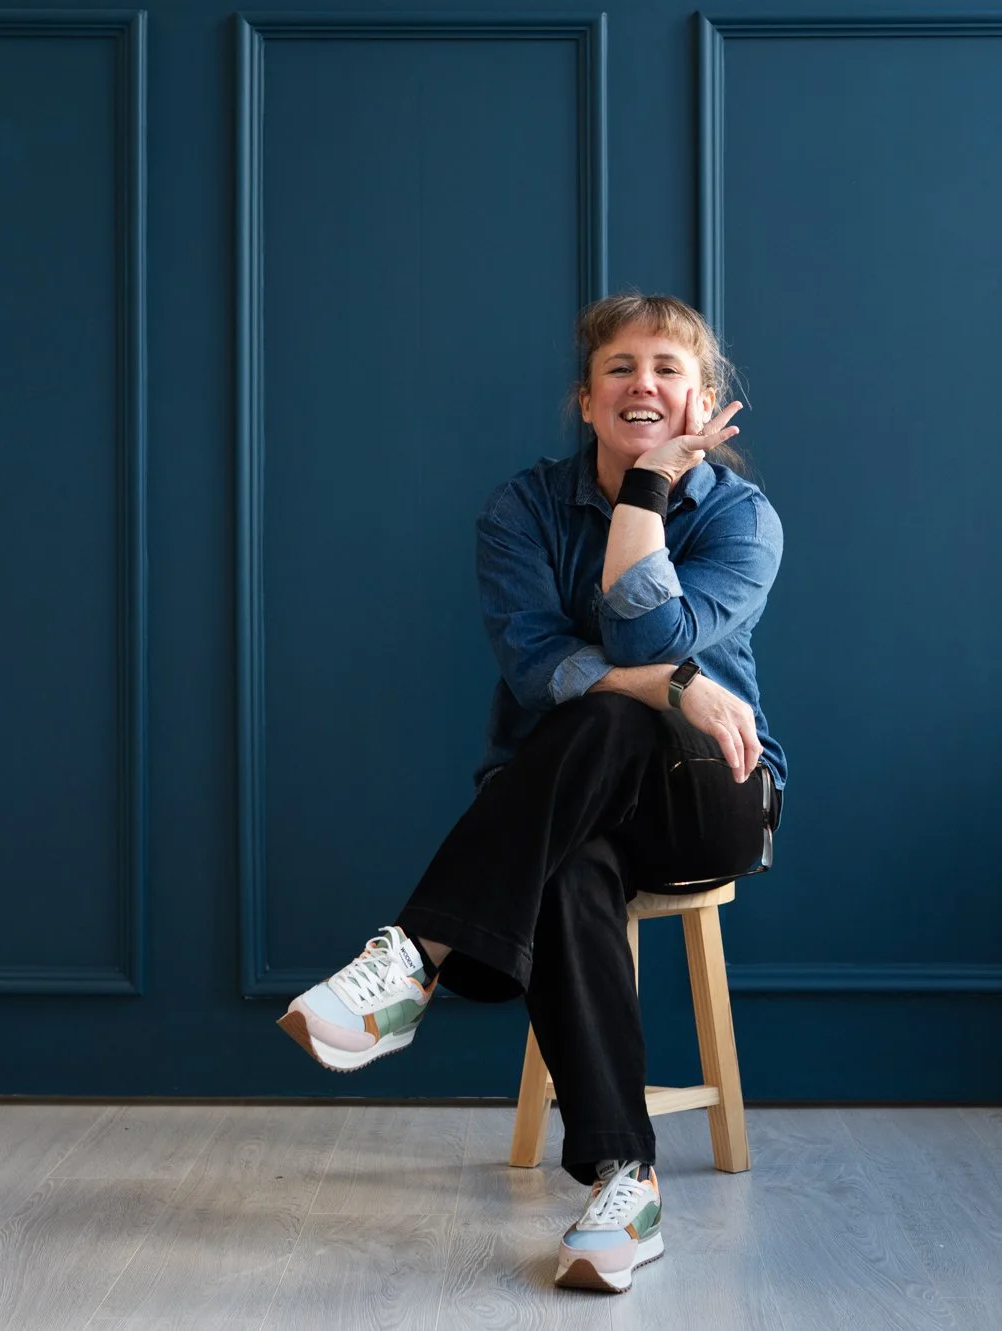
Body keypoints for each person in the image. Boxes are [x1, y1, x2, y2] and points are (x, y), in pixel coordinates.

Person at [277, 291, 786, 1295]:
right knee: (567, 861)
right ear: (583, 398)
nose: (643, 382)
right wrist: (671, 680)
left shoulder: (740, 518)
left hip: (712, 793)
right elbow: (531, 668)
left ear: (704, 399)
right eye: (619, 368)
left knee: (611, 713)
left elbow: (646, 645)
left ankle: (413, 954)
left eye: (668, 368)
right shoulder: (520, 509)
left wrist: (643, 496)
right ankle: (622, 1181)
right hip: (562, 808)